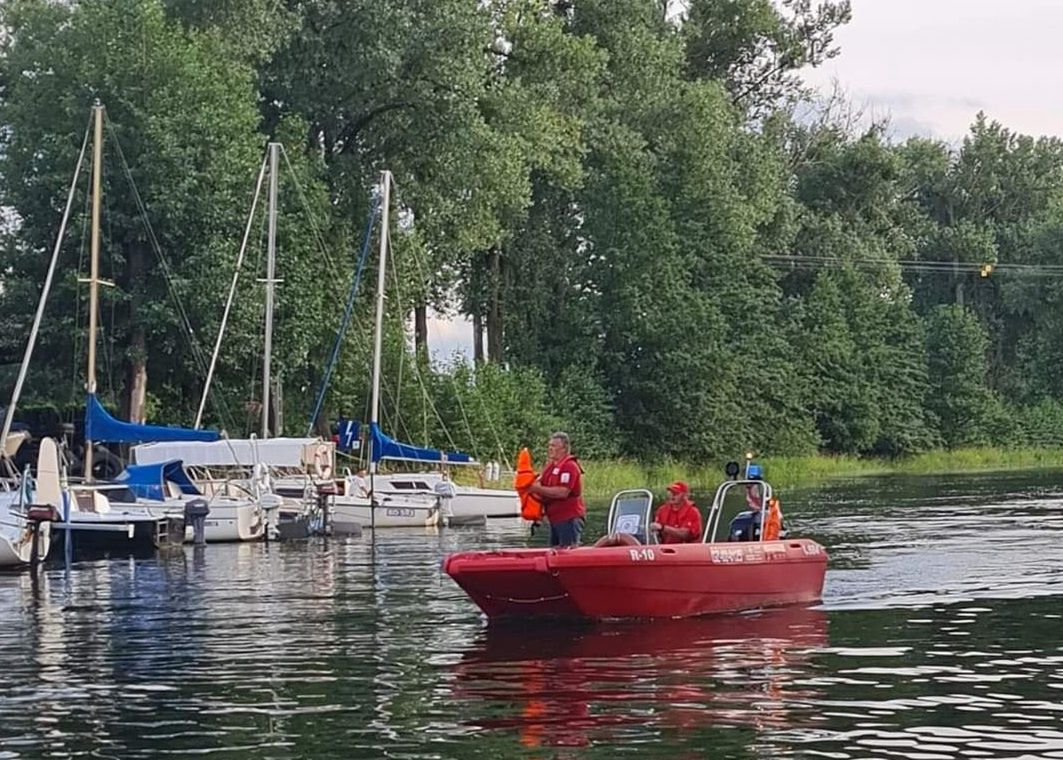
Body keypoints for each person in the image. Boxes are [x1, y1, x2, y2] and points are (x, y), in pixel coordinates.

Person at [529, 432, 585, 547]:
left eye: (554, 446)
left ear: (564, 448)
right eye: (549, 445)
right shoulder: (551, 466)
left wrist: (537, 489)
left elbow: (562, 492)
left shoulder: (569, 466)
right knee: (554, 550)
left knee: (567, 551)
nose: (550, 448)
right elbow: (540, 483)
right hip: (555, 519)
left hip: (569, 519)